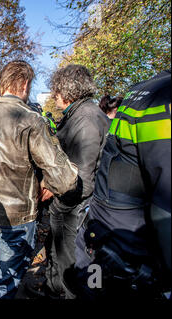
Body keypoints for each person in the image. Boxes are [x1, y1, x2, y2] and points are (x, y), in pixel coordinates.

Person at [0, 60, 79, 299]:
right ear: (25, 84)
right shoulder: (30, 119)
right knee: (4, 284)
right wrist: (49, 183)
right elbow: (66, 179)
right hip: (18, 219)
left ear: (1, 84)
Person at [65, 70, 171, 300]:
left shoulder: (142, 91)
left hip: (104, 240)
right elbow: (166, 209)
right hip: (123, 255)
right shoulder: (162, 98)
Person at [27, 64, 110, 299]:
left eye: (56, 90)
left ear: (68, 90)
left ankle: (63, 292)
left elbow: (83, 174)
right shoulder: (80, 115)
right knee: (57, 253)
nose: (54, 95)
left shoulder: (86, 120)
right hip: (70, 203)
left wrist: (56, 201)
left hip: (75, 207)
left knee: (70, 260)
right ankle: (53, 287)